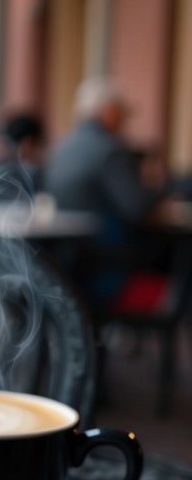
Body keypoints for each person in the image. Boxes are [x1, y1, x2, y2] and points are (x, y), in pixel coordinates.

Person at [43, 76, 167, 308]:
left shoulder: (62, 147)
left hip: (68, 267)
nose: (124, 122)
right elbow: (138, 208)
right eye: (122, 113)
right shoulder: (111, 150)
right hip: (107, 268)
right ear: (108, 111)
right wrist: (158, 190)